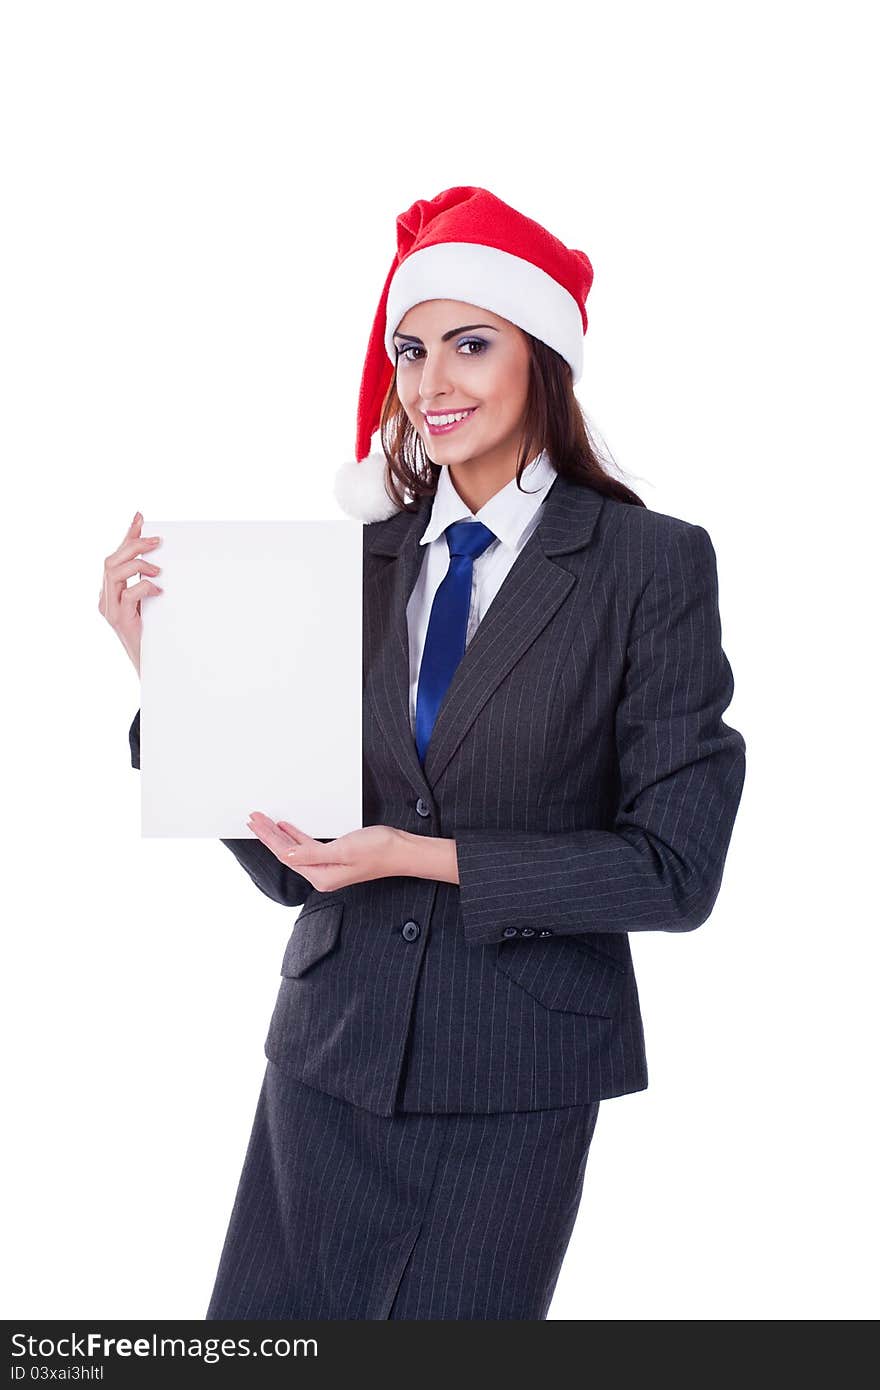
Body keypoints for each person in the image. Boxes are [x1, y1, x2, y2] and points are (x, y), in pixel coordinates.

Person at [100, 185, 747, 1320]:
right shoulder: (355, 565)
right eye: (409, 351)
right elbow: (291, 862)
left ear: (539, 354)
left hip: (514, 1077)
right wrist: (173, 680)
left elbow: (674, 871)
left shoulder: (646, 566)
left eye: (469, 343)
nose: (430, 382)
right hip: (327, 1064)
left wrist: (425, 856)